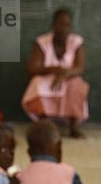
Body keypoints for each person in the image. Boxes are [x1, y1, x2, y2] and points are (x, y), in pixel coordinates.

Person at [22, 8, 89, 138]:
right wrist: (53, 69)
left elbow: (80, 67)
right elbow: (33, 69)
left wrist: (63, 75)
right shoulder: (42, 42)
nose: (64, 28)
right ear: (53, 25)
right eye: (60, 24)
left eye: (67, 25)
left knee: (78, 85)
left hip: (69, 77)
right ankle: (44, 124)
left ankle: (73, 127)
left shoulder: (76, 42)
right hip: (47, 77)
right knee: (37, 84)